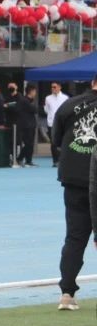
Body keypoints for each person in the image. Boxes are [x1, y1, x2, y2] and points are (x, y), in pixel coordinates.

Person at [51, 74, 97, 311]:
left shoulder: (69, 105)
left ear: (92, 83)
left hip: (75, 179)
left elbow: (57, 140)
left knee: (75, 237)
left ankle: (67, 293)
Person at [44, 81, 69, 166]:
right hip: (51, 123)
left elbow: (67, 109)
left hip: (62, 123)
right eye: (51, 87)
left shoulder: (65, 98)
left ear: (59, 87)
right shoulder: (48, 98)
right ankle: (55, 161)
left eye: (54, 87)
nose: (53, 89)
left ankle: (62, 159)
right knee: (53, 143)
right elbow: (46, 110)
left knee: (63, 142)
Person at [15, 84, 39, 167]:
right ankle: (20, 158)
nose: (35, 93)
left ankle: (28, 160)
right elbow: (34, 109)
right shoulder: (24, 100)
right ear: (31, 91)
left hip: (30, 124)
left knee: (30, 144)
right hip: (26, 125)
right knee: (28, 144)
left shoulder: (28, 100)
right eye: (34, 91)